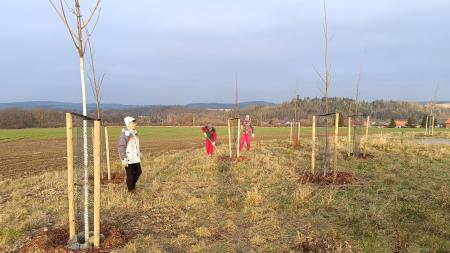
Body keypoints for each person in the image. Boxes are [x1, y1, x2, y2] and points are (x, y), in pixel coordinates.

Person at [118, 116, 144, 193]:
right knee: (130, 174)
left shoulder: (134, 133)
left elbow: (136, 145)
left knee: (138, 172)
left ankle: (132, 187)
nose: (135, 124)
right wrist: (124, 158)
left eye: (134, 122)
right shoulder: (125, 134)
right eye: (132, 122)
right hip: (128, 158)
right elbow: (121, 146)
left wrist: (140, 153)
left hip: (135, 157)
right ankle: (131, 190)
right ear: (128, 124)